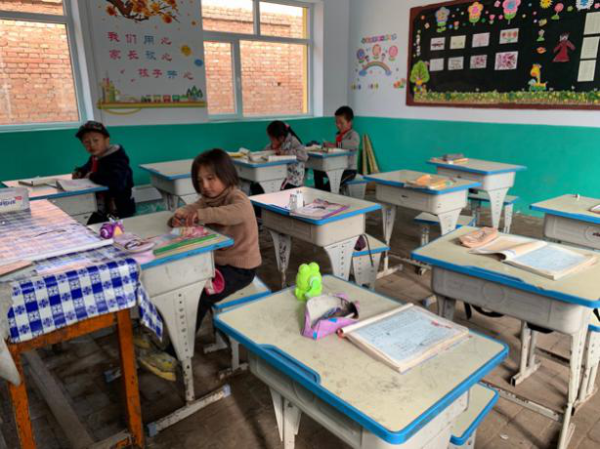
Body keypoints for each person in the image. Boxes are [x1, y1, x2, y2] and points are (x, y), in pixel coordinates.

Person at [138, 149, 261, 381]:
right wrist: (179, 215)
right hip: (216, 265)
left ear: (226, 175)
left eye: (211, 178)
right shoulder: (207, 199)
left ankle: (173, 357)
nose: (205, 185)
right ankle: (151, 329)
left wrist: (201, 215)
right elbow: (191, 208)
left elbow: (234, 213)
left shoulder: (238, 198)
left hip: (240, 269)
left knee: (197, 296)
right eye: (200, 180)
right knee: (175, 281)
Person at [73, 121, 135, 223]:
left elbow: (116, 181)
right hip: (101, 204)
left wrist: (91, 176)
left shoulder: (117, 158)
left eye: (96, 140)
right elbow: (88, 167)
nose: (92, 145)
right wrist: (80, 171)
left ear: (106, 140)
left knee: (119, 230)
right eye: (86, 142)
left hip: (118, 207)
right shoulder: (95, 157)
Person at [314, 106, 361, 191]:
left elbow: (353, 144)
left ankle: (324, 193)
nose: (338, 125)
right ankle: (319, 192)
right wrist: (327, 148)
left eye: (341, 123)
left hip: (349, 171)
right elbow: (337, 149)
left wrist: (335, 145)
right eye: (336, 122)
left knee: (329, 187)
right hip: (336, 168)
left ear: (349, 122)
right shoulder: (338, 135)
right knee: (317, 170)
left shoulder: (353, 134)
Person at [263, 121, 308, 189]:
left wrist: (285, 153)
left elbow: (304, 156)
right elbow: (265, 151)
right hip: (280, 176)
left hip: (293, 180)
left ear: (281, 137)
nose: (271, 140)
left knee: (271, 187)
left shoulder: (293, 141)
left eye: (272, 139)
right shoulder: (279, 142)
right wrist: (272, 148)